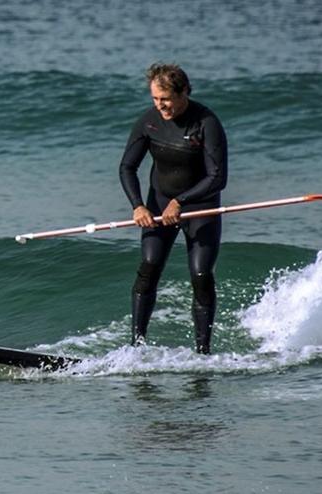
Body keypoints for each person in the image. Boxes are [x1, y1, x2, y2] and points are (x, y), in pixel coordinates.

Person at [118, 63, 227, 354]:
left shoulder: (206, 123)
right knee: (149, 266)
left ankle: (203, 351)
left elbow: (217, 178)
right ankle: (136, 347)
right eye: (154, 99)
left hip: (199, 208)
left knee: (201, 274)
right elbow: (127, 167)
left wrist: (181, 202)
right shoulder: (149, 122)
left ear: (184, 92)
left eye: (164, 99)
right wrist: (138, 206)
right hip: (158, 204)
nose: (159, 106)